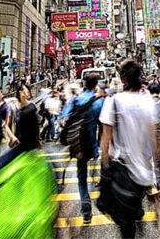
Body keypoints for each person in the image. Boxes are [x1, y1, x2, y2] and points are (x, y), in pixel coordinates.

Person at [100, 60, 157, 239]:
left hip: (122, 171)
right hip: (143, 174)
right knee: (131, 215)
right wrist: (159, 178)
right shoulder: (148, 102)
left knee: (125, 225)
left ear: (123, 79)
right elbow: (153, 142)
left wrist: (104, 168)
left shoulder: (114, 101)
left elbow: (105, 141)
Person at [59, 73, 103, 224]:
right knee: (94, 175)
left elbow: (63, 118)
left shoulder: (76, 100)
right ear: (95, 85)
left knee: (82, 177)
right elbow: (103, 124)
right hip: (93, 145)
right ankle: (97, 195)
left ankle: (86, 208)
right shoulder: (99, 101)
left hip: (79, 146)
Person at [0, 85, 41, 178]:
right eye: (26, 91)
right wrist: (12, 137)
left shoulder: (32, 106)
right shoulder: (12, 107)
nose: (28, 93)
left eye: (28, 91)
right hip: (16, 139)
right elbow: (6, 125)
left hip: (29, 139)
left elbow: (36, 124)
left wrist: (38, 139)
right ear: (20, 93)